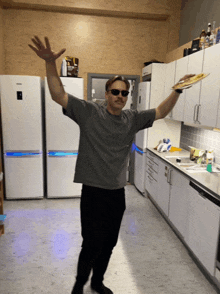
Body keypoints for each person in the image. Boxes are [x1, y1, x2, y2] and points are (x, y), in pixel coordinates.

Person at [28, 36, 195, 294]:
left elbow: (160, 111)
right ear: (106, 94)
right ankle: (79, 285)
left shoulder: (132, 118)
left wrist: (178, 90)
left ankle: (97, 282)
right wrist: (51, 63)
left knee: (109, 244)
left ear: (128, 97)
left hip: (116, 194)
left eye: (124, 93)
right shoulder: (89, 112)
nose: (120, 96)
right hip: (93, 192)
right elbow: (58, 94)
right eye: (115, 91)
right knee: (91, 244)